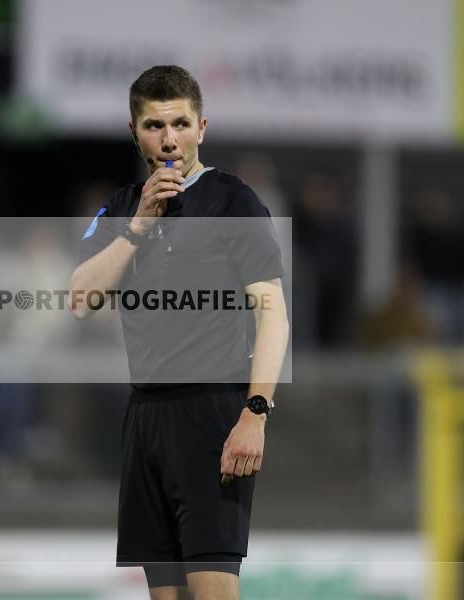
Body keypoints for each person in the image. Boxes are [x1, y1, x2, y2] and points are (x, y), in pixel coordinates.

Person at [70, 66, 290, 600]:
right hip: (144, 417)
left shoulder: (234, 201)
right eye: (154, 125)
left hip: (212, 413)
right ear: (134, 131)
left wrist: (254, 414)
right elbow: (79, 297)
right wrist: (139, 227)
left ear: (202, 127)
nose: (169, 138)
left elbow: (274, 315)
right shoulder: (121, 208)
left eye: (181, 123)